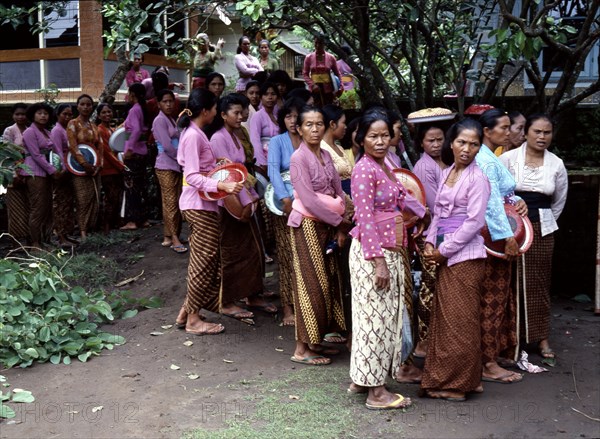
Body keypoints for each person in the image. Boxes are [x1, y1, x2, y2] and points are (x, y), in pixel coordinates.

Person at [348, 110, 426, 409]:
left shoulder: (385, 164)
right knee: (375, 322)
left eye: (384, 136)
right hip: (374, 254)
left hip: (388, 249)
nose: (380, 141)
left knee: (372, 317)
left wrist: (423, 211)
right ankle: (376, 392)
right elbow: (364, 217)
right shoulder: (364, 169)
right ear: (361, 139)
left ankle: (361, 377)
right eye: (373, 136)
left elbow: (400, 196)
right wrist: (378, 261)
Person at [420, 118, 491, 401]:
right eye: (462, 142)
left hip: (466, 257)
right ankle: (467, 380)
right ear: (452, 143)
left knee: (460, 322)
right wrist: (428, 240)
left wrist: (443, 250)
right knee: (447, 320)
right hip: (446, 254)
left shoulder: (478, 178)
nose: (467, 149)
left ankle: (456, 385)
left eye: (474, 144)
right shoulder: (448, 171)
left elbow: (474, 223)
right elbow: (438, 213)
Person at [499, 114, 568, 367]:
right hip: (511, 228)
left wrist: (542, 222)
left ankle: (541, 338)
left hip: (543, 227)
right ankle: (508, 339)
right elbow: (496, 193)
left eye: (547, 132)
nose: (542, 137)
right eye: (537, 131)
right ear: (525, 132)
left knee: (539, 281)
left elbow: (559, 201)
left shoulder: (557, 164)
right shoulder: (507, 159)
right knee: (510, 280)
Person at [174, 88, 243, 335]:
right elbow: (192, 175)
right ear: (206, 111)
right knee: (203, 262)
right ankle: (193, 319)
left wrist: (217, 167)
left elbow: (201, 168)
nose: (216, 112)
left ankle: (187, 312)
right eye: (215, 108)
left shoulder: (195, 133)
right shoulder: (193, 135)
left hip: (203, 204)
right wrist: (221, 184)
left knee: (203, 261)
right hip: (197, 205)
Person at [287, 106, 352, 365]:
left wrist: (340, 224)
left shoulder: (325, 154)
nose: (315, 129)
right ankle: (301, 349)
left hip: (329, 225)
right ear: (300, 129)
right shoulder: (298, 159)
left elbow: (338, 191)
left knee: (329, 283)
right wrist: (341, 223)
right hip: (307, 226)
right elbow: (309, 200)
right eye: (309, 125)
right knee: (310, 285)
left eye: (319, 124)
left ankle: (316, 341)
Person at [210, 93, 277, 320]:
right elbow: (226, 175)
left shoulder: (235, 134)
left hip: (245, 197)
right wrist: (244, 203)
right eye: (236, 113)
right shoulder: (218, 138)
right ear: (223, 115)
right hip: (230, 202)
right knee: (233, 252)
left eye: (242, 112)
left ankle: (252, 294)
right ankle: (227, 301)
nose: (241, 117)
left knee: (252, 248)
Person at [474, 108, 528, 384]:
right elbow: (492, 202)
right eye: (504, 128)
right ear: (487, 130)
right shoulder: (484, 160)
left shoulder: (491, 157)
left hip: (497, 232)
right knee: (491, 299)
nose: (509, 133)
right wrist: (505, 236)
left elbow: (504, 197)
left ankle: (492, 354)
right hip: (491, 239)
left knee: (497, 298)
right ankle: (487, 362)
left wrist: (517, 201)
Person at [267, 97, 305, 326]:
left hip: (307, 204)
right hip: (283, 205)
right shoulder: (277, 141)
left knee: (304, 255)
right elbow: (273, 171)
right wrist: (285, 200)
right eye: (288, 116)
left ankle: (305, 305)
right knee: (285, 255)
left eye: (296, 116)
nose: (292, 121)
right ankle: (287, 308)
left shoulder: (308, 140)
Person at [412, 122, 448, 357]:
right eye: (430, 141)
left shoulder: (446, 162)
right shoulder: (424, 167)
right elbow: (436, 206)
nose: (435, 144)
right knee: (429, 288)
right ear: (421, 143)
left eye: (439, 139)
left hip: (446, 231)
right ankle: (424, 342)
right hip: (431, 234)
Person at [20, 102, 62, 248]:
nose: (43, 116)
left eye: (45, 113)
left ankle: (45, 240)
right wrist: (52, 170)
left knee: (47, 207)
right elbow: (36, 155)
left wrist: (62, 166)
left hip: (46, 173)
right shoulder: (29, 132)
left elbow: (57, 151)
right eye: (39, 113)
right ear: (33, 115)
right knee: (37, 208)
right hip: (34, 173)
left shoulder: (47, 132)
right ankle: (35, 244)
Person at [151, 89, 185, 252]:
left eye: (171, 101)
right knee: (171, 203)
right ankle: (175, 238)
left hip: (175, 165)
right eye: (165, 101)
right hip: (166, 165)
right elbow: (167, 146)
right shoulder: (159, 121)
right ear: (159, 104)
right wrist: (183, 159)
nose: (169, 104)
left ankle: (170, 235)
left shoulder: (171, 119)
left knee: (172, 202)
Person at [67, 94, 104, 241]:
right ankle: (82, 231)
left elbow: (100, 146)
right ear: (77, 106)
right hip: (79, 170)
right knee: (82, 200)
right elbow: (72, 146)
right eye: (82, 104)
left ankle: (90, 228)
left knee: (94, 198)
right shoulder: (73, 124)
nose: (86, 107)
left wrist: (98, 165)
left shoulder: (94, 126)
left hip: (94, 169)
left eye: (89, 104)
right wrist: (84, 164)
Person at [120, 82, 150, 231]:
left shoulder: (134, 110)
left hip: (134, 153)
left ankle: (132, 220)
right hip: (142, 151)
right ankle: (143, 218)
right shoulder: (143, 109)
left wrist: (129, 149)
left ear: (132, 95)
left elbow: (136, 130)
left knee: (131, 187)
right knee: (140, 186)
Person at [96, 103, 125, 233]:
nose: (107, 114)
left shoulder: (113, 130)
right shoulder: (100, 130)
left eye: (109, 112)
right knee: (110, 197)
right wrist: (121, 167)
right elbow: (106, 152)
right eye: (104, 112)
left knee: (116, 197)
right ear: (98, 115)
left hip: (116, 168)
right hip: (108, 169)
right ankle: (106, 227)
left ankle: (114, 224)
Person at [50, 103, 77, 246]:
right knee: (60, 204)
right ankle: (60, 236)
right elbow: (58, 151)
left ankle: (66, 234)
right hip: (61, 171)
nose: (67, 117)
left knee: (67, 203)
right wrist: (65, 168)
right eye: (64, 114)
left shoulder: (68, 129)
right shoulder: (56, 130)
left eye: (70, 114)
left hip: (69, 170)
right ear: (58, 115)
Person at [3, 103, 30, 243]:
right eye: (17, 114)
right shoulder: (9, 131)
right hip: (13, 174)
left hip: (29, 173)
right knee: (16, 207)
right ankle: (16, 240)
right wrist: (14, 174)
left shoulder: (30, 130)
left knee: (29, 206)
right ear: (13, 115)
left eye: (23, 114)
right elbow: (7, 155)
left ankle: (29, 237)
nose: (20, 117)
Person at [302, 34, 343, 107]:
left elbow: (338, 73)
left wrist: (341, 86)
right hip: (315, 90)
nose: (317, 45)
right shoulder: (308, 57)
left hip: (329, 89)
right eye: (316, 43)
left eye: (320, 43)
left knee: (328, 108)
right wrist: (312, 85)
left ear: (324, 44)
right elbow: (305, 74)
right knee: (316, 108)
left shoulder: (331, 57)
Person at [321, 105, 353, 195]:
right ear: (332, 124)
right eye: (343, 123)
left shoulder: (340, 148)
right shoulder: (321, 148)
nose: (346, 127)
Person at [249, 82, 280, 170]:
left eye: (273, 94)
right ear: (261, 97)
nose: (270, 97)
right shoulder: (257, 116)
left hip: (279, 157)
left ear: (277, 97)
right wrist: (262, 163)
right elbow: (255, 141)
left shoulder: (279, 115)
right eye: (266, 94)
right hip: (265, 160)